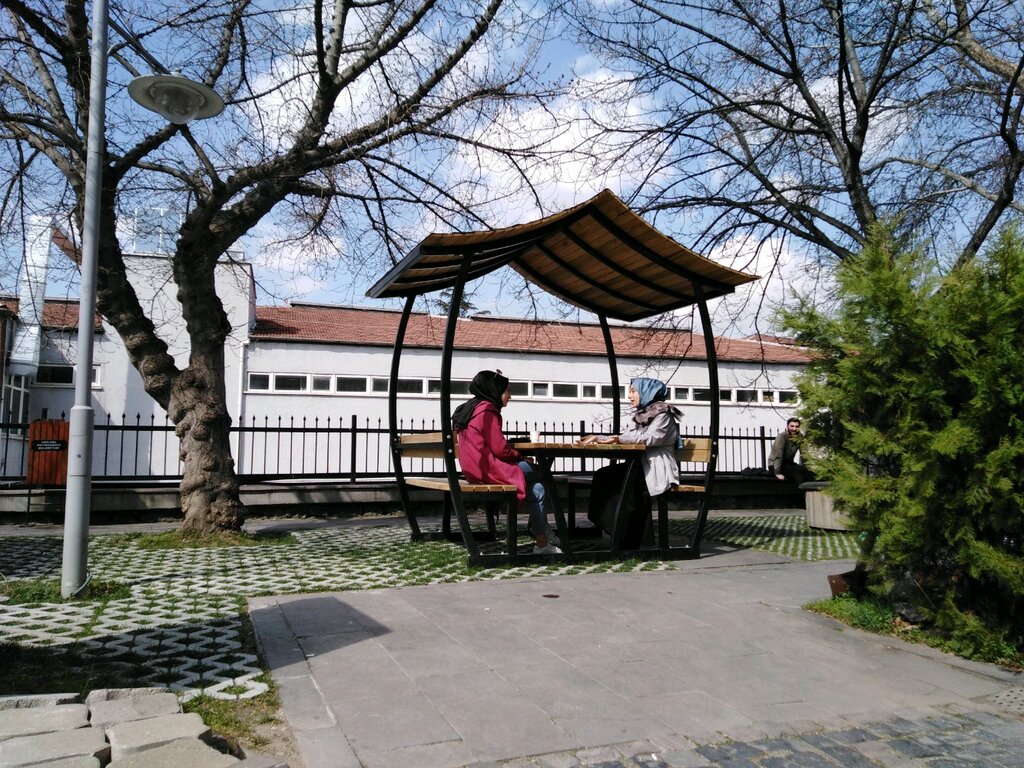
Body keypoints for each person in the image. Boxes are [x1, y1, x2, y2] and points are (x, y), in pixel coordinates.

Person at [452, 370, 562, 554]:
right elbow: (500, 449)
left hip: (473, 470)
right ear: (495, 390)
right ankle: (546, 530)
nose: (510, 396)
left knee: (538, 489)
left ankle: (542, 543)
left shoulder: (470, 408)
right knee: (544, 472)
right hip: (489, 470)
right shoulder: (487, 410)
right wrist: (520, 457)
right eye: (507, 390)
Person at [579, 377, 681, 547]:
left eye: (633, 391)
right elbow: (626, 436)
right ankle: (618, 532)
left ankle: (632, 540)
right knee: (603, 475)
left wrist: (616, 439)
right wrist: (598, 438)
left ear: (647, 392)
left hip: (655, 469)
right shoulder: (642, 415)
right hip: (640, 466)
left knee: (621, 482)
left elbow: (648, 438)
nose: (629, 395)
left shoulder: (663, 415)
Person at [768, 417, 809, 484]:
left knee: (808, 474)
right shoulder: (782, 436)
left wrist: (807, 468)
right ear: (787, 427)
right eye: (792, 426)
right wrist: (777, 472)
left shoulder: (799, 437)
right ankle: (801, 490)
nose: (794, 429)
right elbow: (779, 455)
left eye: (797, 426)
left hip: (789, 464)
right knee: (798, 475)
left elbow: (804, 454)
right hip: (775, 465)